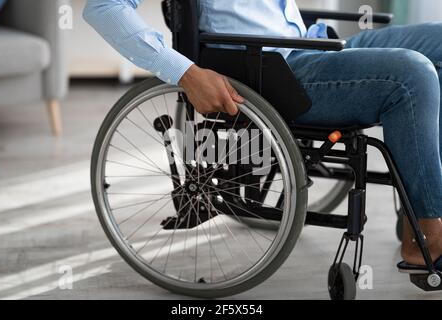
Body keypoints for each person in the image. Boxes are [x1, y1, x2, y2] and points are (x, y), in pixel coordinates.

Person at [83, 0, 442, 272]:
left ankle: (422, 201)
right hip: (277, 72)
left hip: (311, 44)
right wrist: (186, 73)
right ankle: (428, 233)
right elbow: (103, 7)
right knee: (412, 74)